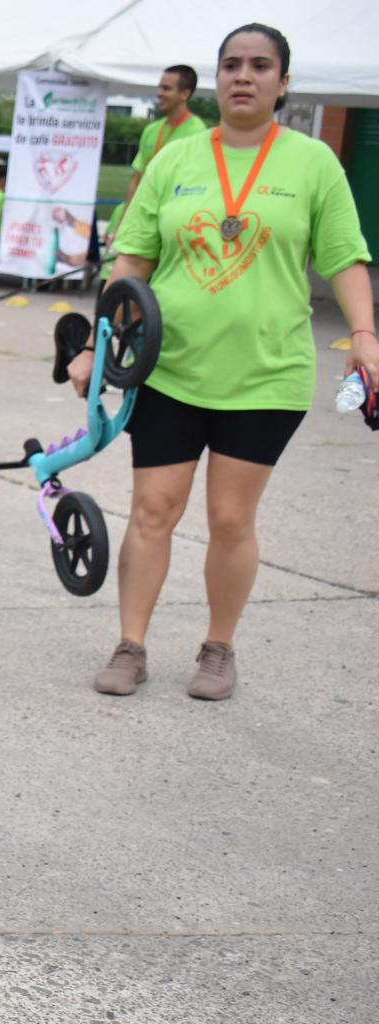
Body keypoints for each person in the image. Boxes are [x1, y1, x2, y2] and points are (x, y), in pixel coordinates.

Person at [71, 23, 374, 703]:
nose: (244, 75)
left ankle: (218, 648)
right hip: (169, 367)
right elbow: (132, 266)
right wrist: (98, 345)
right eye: (232, 64)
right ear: (217, 77)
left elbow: (345, 256)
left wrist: (365, 332)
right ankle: (131, 644)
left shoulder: (312, 162)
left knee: (232, 518)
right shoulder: (176, 161)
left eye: (260, 65)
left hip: (267, 376)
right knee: (153, 508)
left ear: (283, 82)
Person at [121, 65, 206, 216]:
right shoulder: (151, 130)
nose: (159, 93)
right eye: (159, 87)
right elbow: (136, 178)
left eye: (166, 88)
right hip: (143, 215)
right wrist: (124, 220)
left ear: (185, 94)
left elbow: (196, 185)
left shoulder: (198, 132)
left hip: (172, 217)